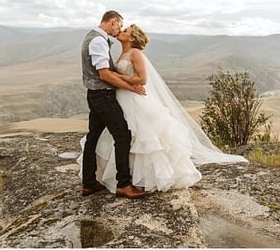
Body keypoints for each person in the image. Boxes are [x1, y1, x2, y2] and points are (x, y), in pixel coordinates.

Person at [79, 23, 248, 194]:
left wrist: (117, 75)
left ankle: (141, 178)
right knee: (124, 135)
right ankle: (125, 177)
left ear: (131, 38)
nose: (121, 32)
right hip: (121, 98)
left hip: (133, 98)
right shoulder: (122, 52)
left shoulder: (135, 53)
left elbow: (142, 80)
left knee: (141, 135)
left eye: (125, 30)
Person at [78, 11, 146, 199]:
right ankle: (123, 184)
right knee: (122, 135)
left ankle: (89, 183)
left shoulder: (93, 37)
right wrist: (131, 88)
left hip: (95, 94)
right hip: (103, 95)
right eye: (119, 25)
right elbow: (105, 74)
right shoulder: (98, 41)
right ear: (113, 21)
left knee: (93, 137)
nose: (118, 30)